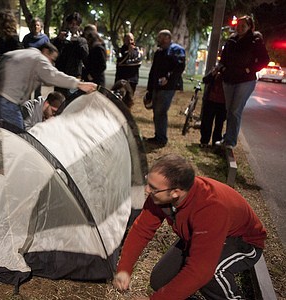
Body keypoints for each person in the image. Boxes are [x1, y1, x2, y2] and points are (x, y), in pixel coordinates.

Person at [113, 154, 266, 299]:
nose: (147, 190)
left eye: (153, 188)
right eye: (148, 182)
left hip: (242, 241)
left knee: (211, 273)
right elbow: (142, 230)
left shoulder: (210, 208)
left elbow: (201, 270)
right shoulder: (161, 196)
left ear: (175, 192)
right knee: (160, 282)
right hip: (200, 236)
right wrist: (124, 268)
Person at [0, 42, 97, 129]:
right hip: (8, 101)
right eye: (52, 59)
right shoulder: (39, 58)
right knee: (19, 140)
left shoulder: (13, 54)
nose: (52, 64)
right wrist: (79, 84)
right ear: (45, 52)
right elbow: (53, 75)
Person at [217, 15, 269, 149]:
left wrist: (248, 69)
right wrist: (222, 69)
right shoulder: (231, 40)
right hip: (228, 79)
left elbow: (264, 60)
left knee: (235, 110)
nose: (239, 28)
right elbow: (223, 59)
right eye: (238, 26)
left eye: (243, 26)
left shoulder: (255, 41)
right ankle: (227, 137)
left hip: (245, 80)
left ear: (250, 27)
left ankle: (230, 141)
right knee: (229, 110)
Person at [145, 29, 185, 147]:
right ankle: (158, 135)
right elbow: (153, 71)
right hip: (157, 86)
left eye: (161, 37)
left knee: (161, 111)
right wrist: (149, 88)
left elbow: (179, 67)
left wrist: (168, 77)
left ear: (167, 38)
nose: (158, 40)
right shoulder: (159, 52)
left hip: (168, 87)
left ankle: (161, 138)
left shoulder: (176, 50)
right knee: (156, 111)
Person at [54, 12, 88, 83]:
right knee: (59, 94)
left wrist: (77, 40)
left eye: (76, 24)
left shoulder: (82, 40)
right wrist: (59, 40)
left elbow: (84, 55)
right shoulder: (62, 37)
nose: (73, 26)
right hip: (61, 73)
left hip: (74, 75)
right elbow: (54, 52)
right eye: (71, 23)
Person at [199, 68, 226, 147]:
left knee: (219, 124)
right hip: (210, 100)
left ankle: (216, 143)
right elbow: (205, 80)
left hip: (223, 102)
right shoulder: (215, 71)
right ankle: (204, 141)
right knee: (206, 122)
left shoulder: (229, 73)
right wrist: (214, 72)